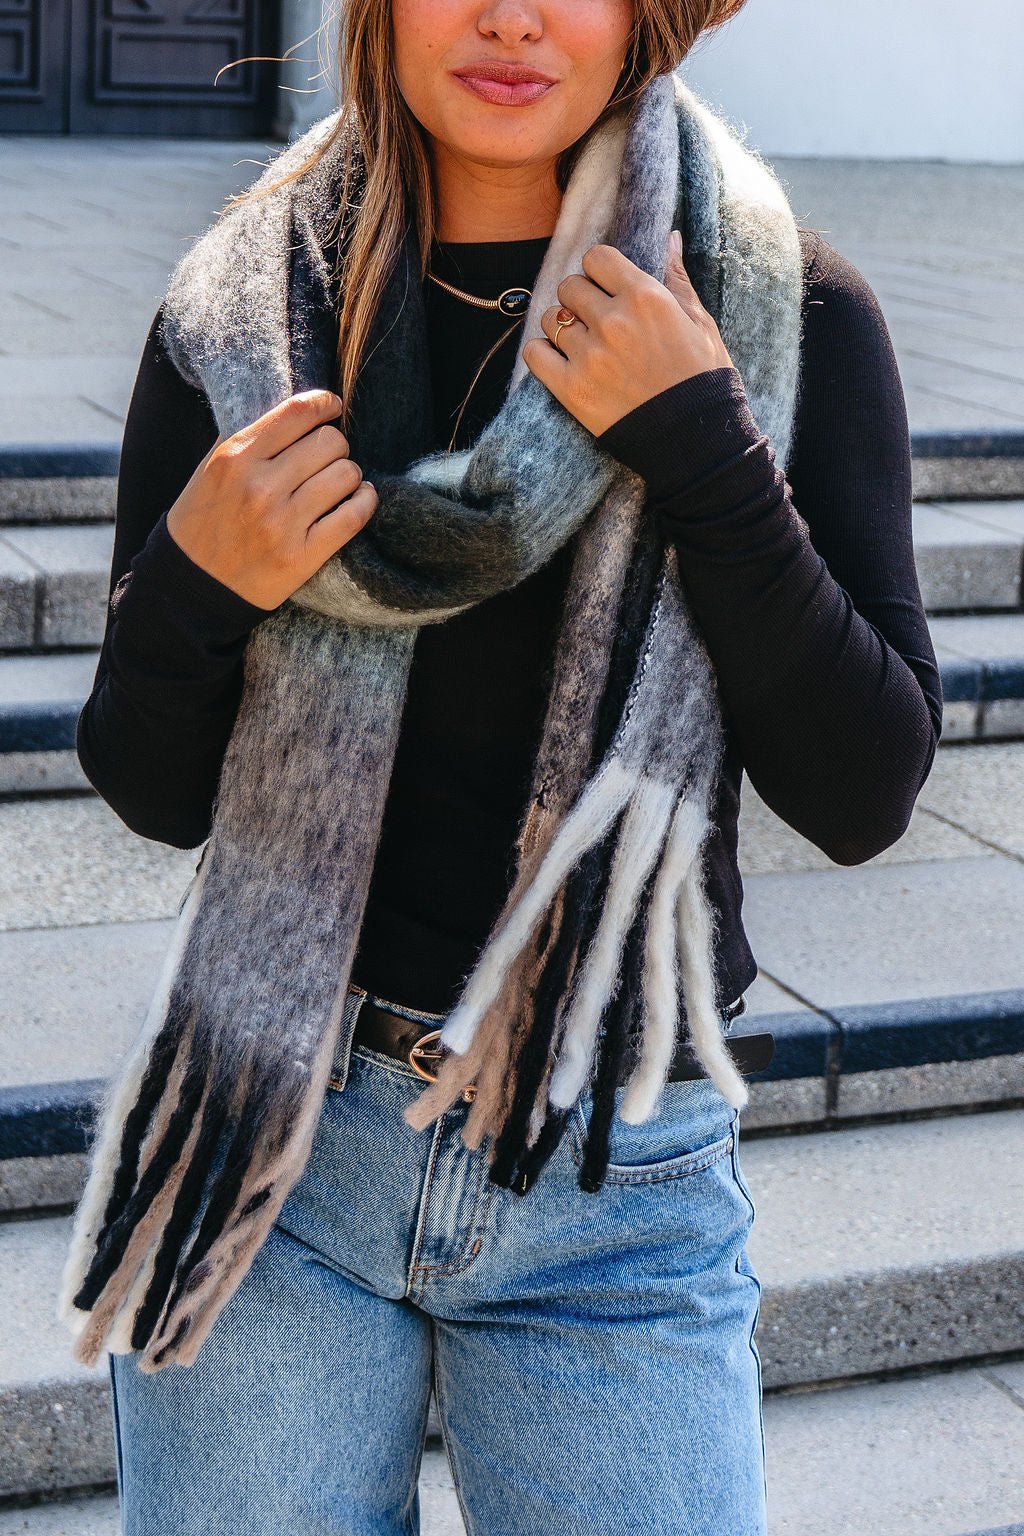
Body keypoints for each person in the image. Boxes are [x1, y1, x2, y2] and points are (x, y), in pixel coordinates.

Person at [65, 0, 942, 1530]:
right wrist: (196, 581)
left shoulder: (775, 313)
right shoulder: (245, 317)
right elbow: (152, 788)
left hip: (616, 1176)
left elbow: (863, 794)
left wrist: (707, 452)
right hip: (277, 1140)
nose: (513, 14)